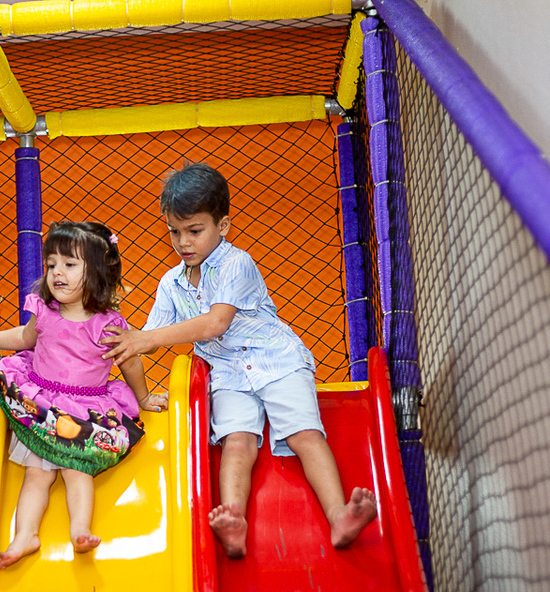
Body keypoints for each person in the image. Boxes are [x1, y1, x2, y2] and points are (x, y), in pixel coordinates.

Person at [101, 163, 376, 558]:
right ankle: (234, 522)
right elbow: (145, 340)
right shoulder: (171, 283)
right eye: (174, 232)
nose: (183, 242)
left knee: (304, 434)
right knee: (237, 443)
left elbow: (215, 323)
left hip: (277, 360)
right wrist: (101, 335)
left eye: (194, 231)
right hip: (228, 375)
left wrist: (143, 338)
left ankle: (339, 516)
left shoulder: (236, 263)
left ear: (223, 226)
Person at [0, 221, 168, 568]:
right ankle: (24, 536)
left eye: (70, 265)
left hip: (85, 410)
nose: (57, 273)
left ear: (97, 272)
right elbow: (24, 341)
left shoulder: (108, 324)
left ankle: (80, 532)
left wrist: (144, 398)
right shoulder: (44, 312)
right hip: (41, 404)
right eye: (51, 265)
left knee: (78, 472)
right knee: (36, 476)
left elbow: (130, 363)